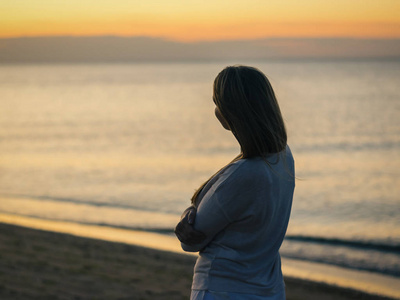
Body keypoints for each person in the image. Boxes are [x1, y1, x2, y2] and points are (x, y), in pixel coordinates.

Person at [175, 65, 295, 300]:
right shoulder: (284, 157)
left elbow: (191, 242)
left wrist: (185, 219)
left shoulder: (243, 175)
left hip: (223, 290)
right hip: (269, 289)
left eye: (216, 103)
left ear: (228, 114)